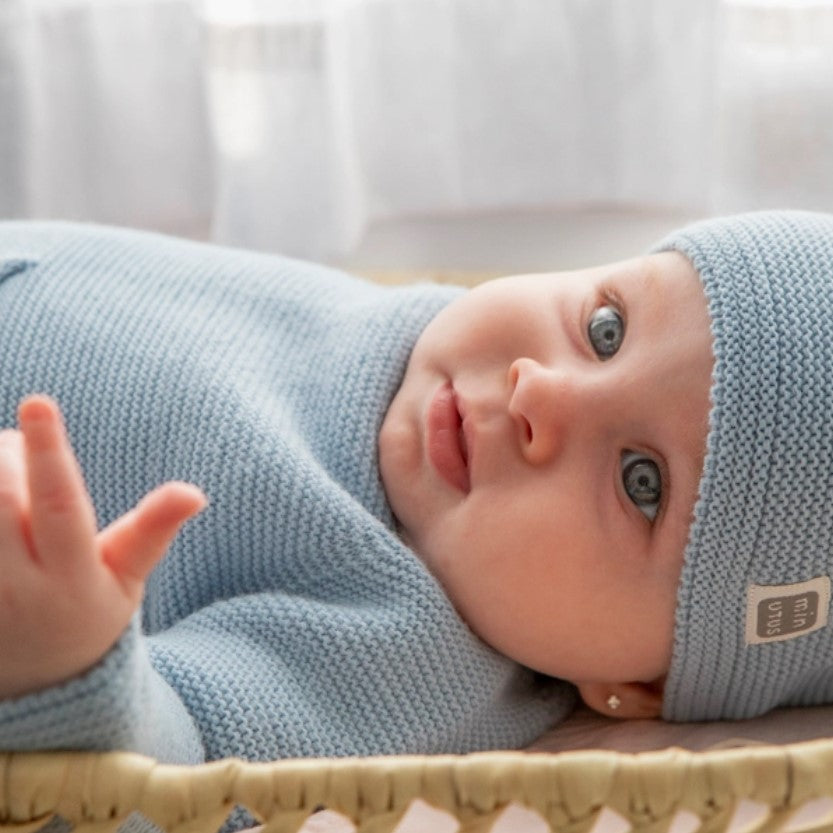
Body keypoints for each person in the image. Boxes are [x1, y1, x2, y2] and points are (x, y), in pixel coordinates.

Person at [0, 210, 831, 769]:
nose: (539, 392)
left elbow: (173, 771)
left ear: (639, 686)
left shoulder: (409, 661)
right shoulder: (427, 339)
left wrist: (68, 663)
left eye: (639, 481)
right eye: (604, 329)